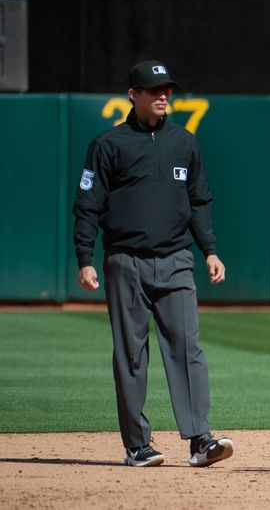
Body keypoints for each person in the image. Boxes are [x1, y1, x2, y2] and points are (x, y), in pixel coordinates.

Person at [72, 60, 233, 468]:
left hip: (177, 259)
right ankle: (137, 445)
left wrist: (209, 249)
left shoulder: (185, 142)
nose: (163, 96)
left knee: (187, 348)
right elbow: (87, 206)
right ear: (133, 94)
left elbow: (199, 201)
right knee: (131, 354)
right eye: (154, 90)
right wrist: (84, 258)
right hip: (126, 261)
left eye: (167, 90)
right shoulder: (109, 145)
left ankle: (200, 439)